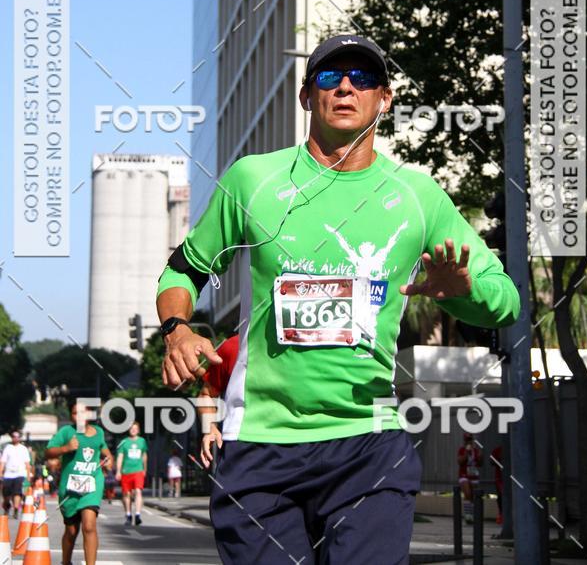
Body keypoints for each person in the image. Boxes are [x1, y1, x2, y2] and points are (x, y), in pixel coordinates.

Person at [156, 33, 521, 564]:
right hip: (259, 442)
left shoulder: (418, 197)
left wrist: (464, 292)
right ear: (307, 96)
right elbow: (183, 270)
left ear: (384, 99)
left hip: (368, 443)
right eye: (330, 77)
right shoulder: (254, 180)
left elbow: (505, 300)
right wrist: (177, 330)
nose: (346, 87)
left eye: (363, 78)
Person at [46, 399, 113, 565]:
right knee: (71, 531)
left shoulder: (98, 432)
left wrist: (108, 461)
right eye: (75, 413)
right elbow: (49, 452)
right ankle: (65, 562)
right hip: (70, 488)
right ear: (71, 416)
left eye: (82, 412)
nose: (79, 416)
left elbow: (106, 453)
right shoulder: (66, 432)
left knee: (89, 526)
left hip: (92, 484)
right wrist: (65, 448)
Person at [198, 334, 239, 469]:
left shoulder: (299, 345)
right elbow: (206, 395)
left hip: (298, 447)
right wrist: (210, 427)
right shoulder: (232, 347)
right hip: (240, 450)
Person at [115, 422, 148, 526]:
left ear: (138, 430)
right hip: (126, 471)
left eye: (135, 428)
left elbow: (144, 455)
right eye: (131, 428)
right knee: (127, 494)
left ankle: (137, 515)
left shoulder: (142, 441)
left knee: (138, 491)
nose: (133, 430)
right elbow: (120, 457)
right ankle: (128, 515)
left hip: (138, 470)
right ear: (128, 430)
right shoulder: (124, 442)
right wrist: (118, 471)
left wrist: (145, 469)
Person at [0, 430, 32, 518]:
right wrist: (1, 472)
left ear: (20, 438)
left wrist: (28, 476)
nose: (16, 438)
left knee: (17, 492)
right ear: (12, 437)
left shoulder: (23, 449)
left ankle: (16, 509)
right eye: (14, 436)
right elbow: (3, 462)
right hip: (8, 474)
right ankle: (7, 506)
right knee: (6, 493)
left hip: (20, 473)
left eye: (17, 436)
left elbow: (27, 464)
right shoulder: (8, 448)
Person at [458, 432, 483, 523]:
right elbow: (460, 461)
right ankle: (468, 515)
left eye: (470, 439)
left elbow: (480, 464)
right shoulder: (462, 450)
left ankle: (472, 514)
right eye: (467, 440)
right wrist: (466, 453)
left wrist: (480, 457)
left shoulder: (475, 450)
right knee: (467, 493)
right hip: (464, 475)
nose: (468, 441)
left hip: (474, 475)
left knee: (473, 496)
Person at [490, 444, 503, 524]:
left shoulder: (513, 449)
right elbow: (491, 461)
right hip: (500, 477)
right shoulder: (498, 450)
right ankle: (501, 514)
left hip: (511, 477)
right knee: (501, 496)